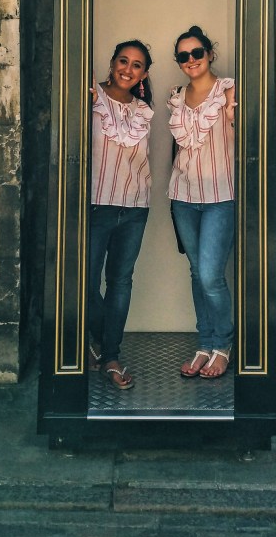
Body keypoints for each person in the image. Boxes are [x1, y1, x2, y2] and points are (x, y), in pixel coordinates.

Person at [168, 25, 236, 379]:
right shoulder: (177, 96)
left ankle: (223, 343)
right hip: (183, 197)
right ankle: (205, 342)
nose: (191, 60)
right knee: (197, 273)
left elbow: (244, 127)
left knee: (211, 276)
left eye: (197, 52)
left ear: (210, 53)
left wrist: (234, 115)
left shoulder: (228, 91)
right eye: (183, 56)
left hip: (221, 197)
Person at [89, 39, 154, 390]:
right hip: (96, 204)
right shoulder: (91, 98)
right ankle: (99, 342)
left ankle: (110, 355)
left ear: (144, 73)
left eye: (137, 65)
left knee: (120, 283)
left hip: (134, 207)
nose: (128, 69)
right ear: (112, 62)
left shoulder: (145, 110)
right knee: (83, 283)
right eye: (123, 61)